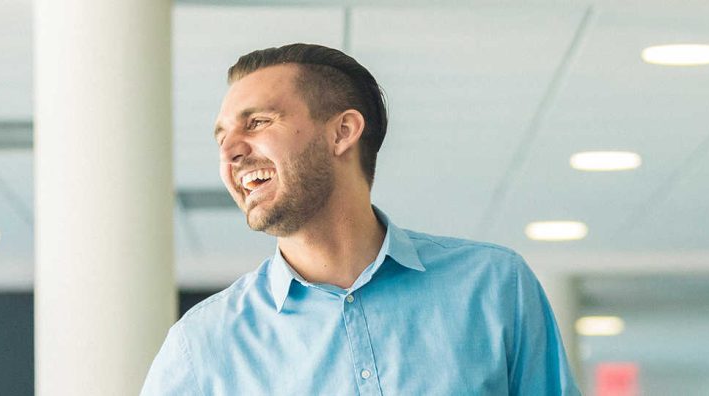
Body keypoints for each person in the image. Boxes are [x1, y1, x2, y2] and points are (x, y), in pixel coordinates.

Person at [139, 43, 581, 395]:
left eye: (256, 122)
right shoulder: (201, 345)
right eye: (222, 136)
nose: (230, 151)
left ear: (342, 132)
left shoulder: (494, 286)